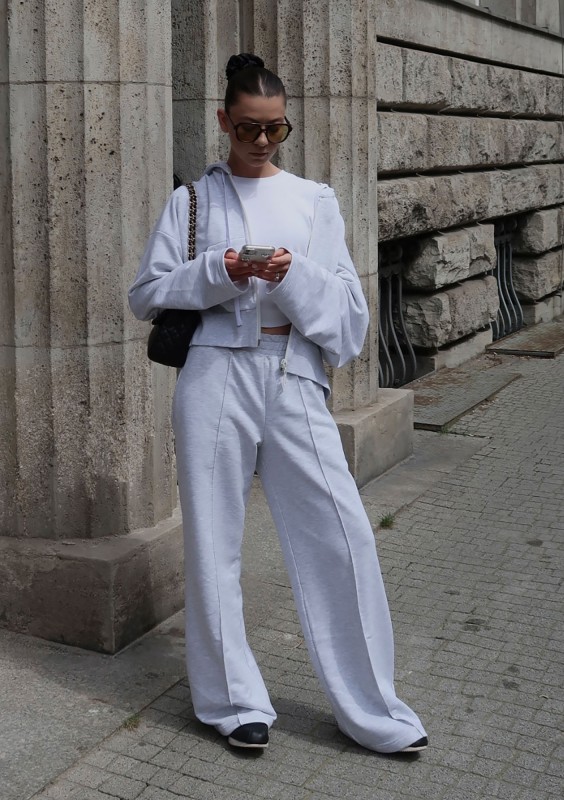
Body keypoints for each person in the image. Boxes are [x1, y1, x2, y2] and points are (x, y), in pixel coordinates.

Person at [128, 53, 428, 754]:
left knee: (343, 534)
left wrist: (292, 277)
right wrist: (221, 270)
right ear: (223, 121)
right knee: (213, 542)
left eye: (275, 129)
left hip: (293, 374)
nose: (262, 141)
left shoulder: (314, 200)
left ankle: (374, 709)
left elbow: (349, 318)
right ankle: (231, 702)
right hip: (213, 375)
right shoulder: (192, 201)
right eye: (248, 129)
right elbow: (146, 294)